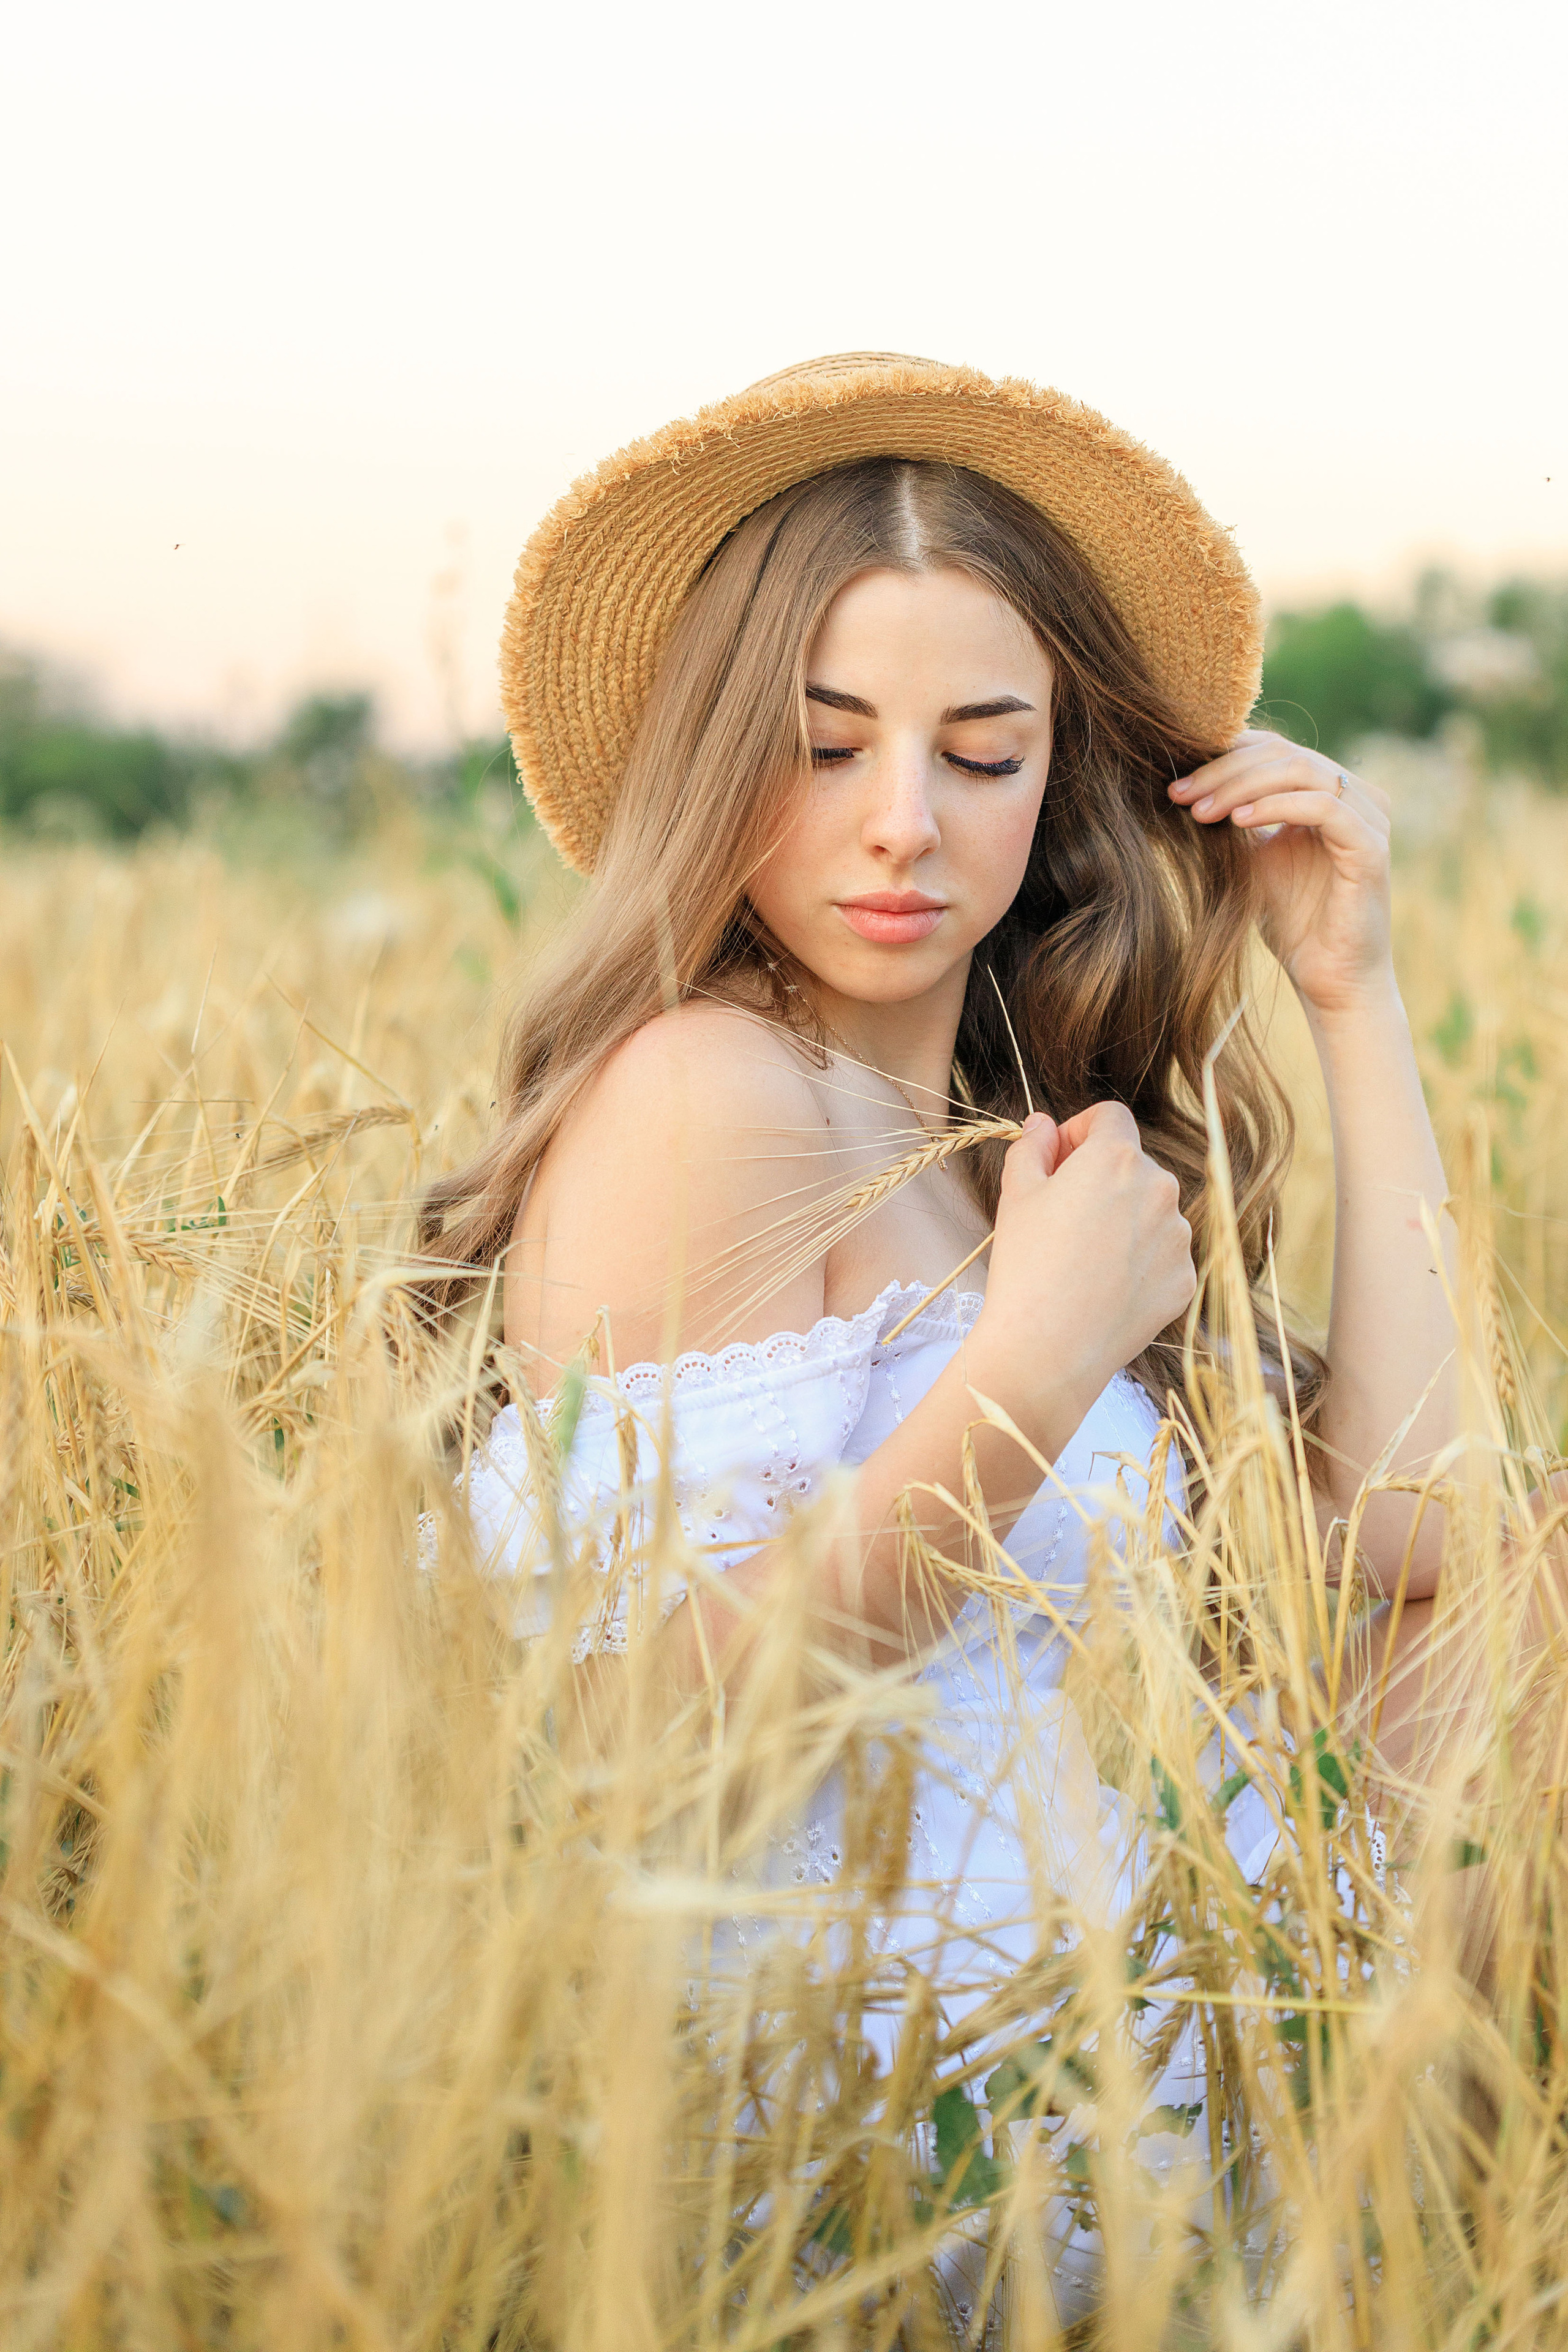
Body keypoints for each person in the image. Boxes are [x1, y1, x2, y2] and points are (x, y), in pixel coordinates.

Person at [417, 354, 1544, 2307]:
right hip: (895, 2095)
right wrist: (1026, 1375)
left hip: (1116, 1981)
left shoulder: (991, 1137)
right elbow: (616, 1741)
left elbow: (1422, 1537)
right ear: (715, 756)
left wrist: (1350, 995)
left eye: (982, 750)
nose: (903, 826)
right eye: (826, 743)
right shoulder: (712, 1091)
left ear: (1064, 774)